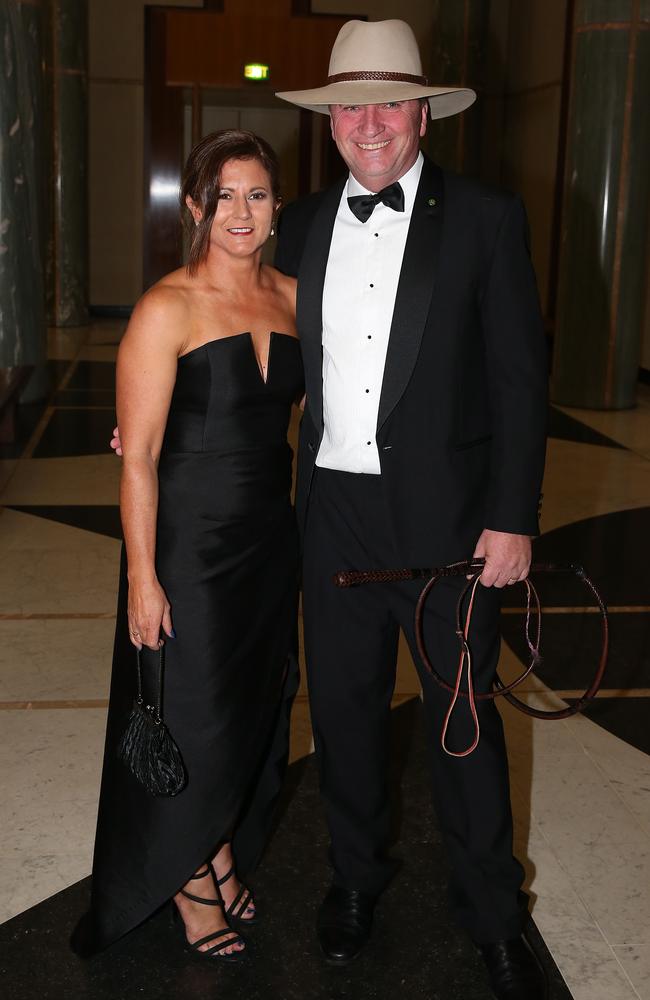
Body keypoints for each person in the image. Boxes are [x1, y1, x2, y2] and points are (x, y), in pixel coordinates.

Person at [273, 19, 548, 1000]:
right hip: (332, 522)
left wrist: (511, 518)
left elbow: (518, 380)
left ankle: (490, 909)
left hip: (448, 528)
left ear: (422, 112)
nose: (369, 122)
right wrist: (155, 420)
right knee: (343, 720)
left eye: (388, 101)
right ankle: (353, 879)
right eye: (351, 104)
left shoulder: (483, 217)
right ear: (331, 122)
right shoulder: (299, 225)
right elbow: (247, 349)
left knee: (461, 726)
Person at [73, 130, 303, 962]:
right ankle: (186, 880)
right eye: (226, 195)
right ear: (197, 206)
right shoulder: (166, 305)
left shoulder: (294, 295)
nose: (241, 212)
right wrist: (143, 576)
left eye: (259, 195)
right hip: (189, 551)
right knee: (192, 716)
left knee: (249, 709)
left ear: (278, 209)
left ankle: (221, 847)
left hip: (269, 547)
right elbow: (136, 456)